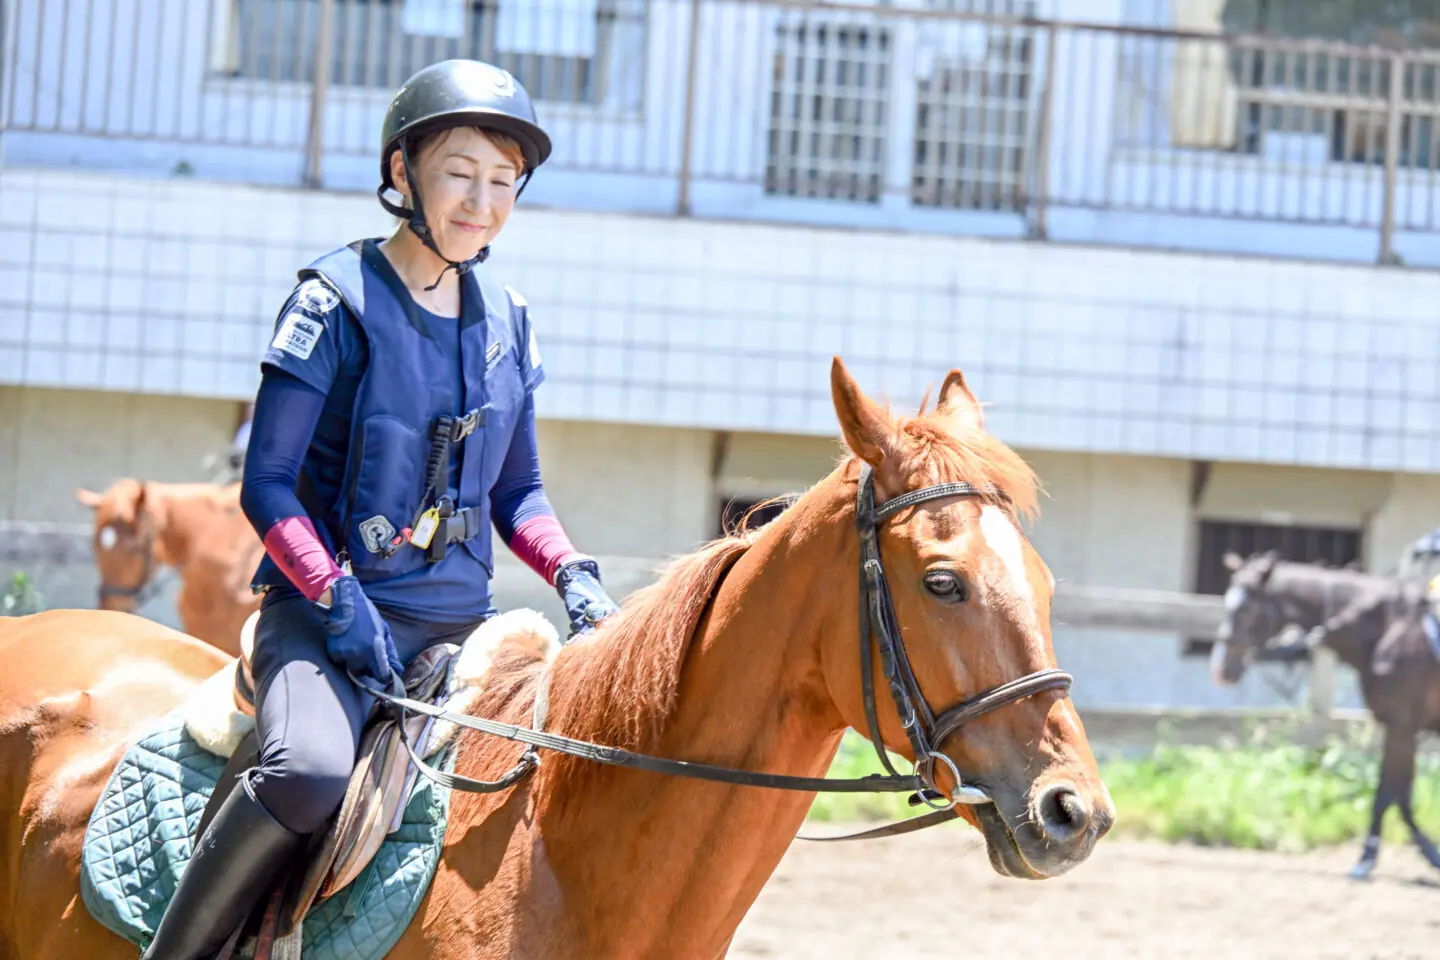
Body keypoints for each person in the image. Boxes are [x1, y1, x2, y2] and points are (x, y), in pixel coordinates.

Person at [143, 59, 620, 959]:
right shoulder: (332, 303)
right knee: (309, 773)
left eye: (502, 182)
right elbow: (268, 484)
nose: (481, 202)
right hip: (327, 624)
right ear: (403, 173)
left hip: (458, 632)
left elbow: (515, 491)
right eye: (460, 173)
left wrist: (572, 572)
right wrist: (332, 595)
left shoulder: (509, 321)